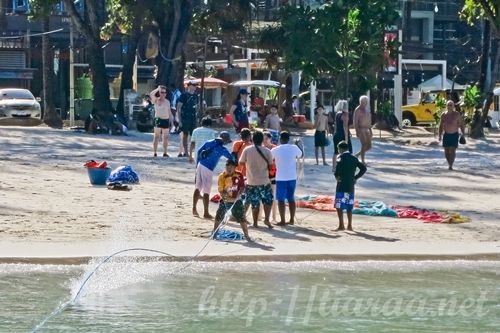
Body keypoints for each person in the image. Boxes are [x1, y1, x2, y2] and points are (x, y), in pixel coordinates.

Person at [193, 131, 234, 218]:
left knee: (198, 188)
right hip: (207, 169)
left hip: (200, 165)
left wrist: (197, 165)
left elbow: (199, 151)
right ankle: (206, 213)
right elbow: (231, 157)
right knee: (206, 191)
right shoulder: (222, 149)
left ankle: (194, 209)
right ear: (225, 141)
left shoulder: (209, 142)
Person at [239, 130, 274, 229]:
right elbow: (271, 166)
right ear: (262, 140)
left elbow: (241, 163)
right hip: (264, 181)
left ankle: (255, 223)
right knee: (268, 201)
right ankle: (267, 219)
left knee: (255, 203)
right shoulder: (267, 151)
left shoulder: (247, 150)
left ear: (252, 139)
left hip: (251, 181)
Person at [271, 131, 304, 226]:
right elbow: (301, 155)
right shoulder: (294, 148)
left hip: (280, 177)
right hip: (292, 177)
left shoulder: (275, 149)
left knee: (281, 200)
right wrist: (297, 145)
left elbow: (270, 158)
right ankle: (291, 219)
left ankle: (282, 220)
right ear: (288, 139)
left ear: (280, 139)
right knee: (291, 198)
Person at [213, 159, 250, 241]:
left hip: (237, 201)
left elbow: (242, 187)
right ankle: (214, 233)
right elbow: (221, 190)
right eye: (227, 167)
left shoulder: (239, 175)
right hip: (225, 201)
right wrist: (226, 197)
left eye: (231, 167)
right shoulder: (222, 176)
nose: (229, 169)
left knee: (242, 218)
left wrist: (240, 193)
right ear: (225, 167)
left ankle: (247, 236)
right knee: (219, 216)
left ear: (234, 167)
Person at [334, 141, 367, 231]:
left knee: (339, 206)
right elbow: (363, 168)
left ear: (340, 149)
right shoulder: (354, 158)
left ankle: (341, 225)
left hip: (341, 185)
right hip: (350, 185)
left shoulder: (340, 157)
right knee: (349, 206)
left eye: (338, 149)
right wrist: (356, 177)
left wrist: (337, 177)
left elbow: (337, 172)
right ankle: (350, 226)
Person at [438, 100, 466, 170]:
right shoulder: (443, 115)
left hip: (454, 135)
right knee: (446, 152)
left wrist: (463, 134)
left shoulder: (457, 114)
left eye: (451, 105)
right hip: (446, 135)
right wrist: (439, 135)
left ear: (453, 106)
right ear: (446, 106)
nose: (449, 106)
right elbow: (440, 126)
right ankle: (449, 163)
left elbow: (462, 125)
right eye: (448, 105)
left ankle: (451, 165)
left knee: (453, 150)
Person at [177, 81, 199, 157]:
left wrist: (197, 118)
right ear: (189, 86)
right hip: (185, 117)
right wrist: (179, 120)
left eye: (196, 85)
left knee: (194, 135)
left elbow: (197, 107)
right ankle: (186, 152)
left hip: (193, 118)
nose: (195, 87)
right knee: (185, 135)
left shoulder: (196, 96)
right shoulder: (183, 95)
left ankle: (191, 151)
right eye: (194, 85)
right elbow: (179, 108)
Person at [150, 85, 173, 157]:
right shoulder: (156, 100)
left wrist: (172, 121)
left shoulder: (167, 101)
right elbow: (151, 94)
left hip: (165, 120)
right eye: (162, 92)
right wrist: (157, 88)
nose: (163, 94)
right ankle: (155, 152)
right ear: (159, 93)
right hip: (158, 119)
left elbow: (169, 112)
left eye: (165, 93)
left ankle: (165, 152)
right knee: (156, 136)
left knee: (165, 137)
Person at [332, 100, 352, 169]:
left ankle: (334, 167)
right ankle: (345, 167)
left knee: (336, 152)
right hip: (342, 135)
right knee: (347, 151)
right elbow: (345, 127)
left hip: (336, 134)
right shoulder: (345, 115)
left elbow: (337, 125)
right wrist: (346, 138)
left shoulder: (337, 114)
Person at [263, 131, 278, 222]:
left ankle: (274, 217)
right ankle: (261, 216)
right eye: (263, 139)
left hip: (273, 175)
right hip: (263, 176)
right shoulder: (261, 148)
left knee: (273, 197)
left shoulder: (275, 148)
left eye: (266, 138)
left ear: (270, 139)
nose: (265, 140)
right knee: (262, 197)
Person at [353, 95, 373, 165]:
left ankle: (357, 155)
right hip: (361, 129)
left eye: (367, 102)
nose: (366, 103)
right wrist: (357, 131)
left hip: (367, 129)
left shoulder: (367, 109)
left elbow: (369, 120)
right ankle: (363, 161)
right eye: (365, 102)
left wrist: (370, 130)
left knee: (369, 146)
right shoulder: (358, 110)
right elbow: (355, 122)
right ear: (361, 102)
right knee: (364, 145)